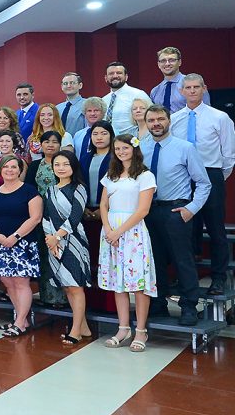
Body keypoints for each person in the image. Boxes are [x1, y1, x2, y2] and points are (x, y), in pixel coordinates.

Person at [141, 104, 210, 325]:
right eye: (151, 120)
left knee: (183, 260)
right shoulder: (141, 147)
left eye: (160, 119)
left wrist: (191, 209)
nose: (156, 124)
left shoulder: (185, 147)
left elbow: (203, 183)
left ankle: (189, 305)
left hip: (176, 210)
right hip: (148, 210)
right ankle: (158, 303)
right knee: (154, 260)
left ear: (168, 120)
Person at [171, 74, 235, 295]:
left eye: (196, 87)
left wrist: (214, 178)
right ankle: (187, 280)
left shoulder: (220, 117)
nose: (192, 91)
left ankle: (218, 278)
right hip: (184, 177)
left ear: (204, 89)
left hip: (211, 174)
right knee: (187, 230)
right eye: (187, 87)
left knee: (216, 229)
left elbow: (228, 155)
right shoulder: (175, 119)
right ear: (181, 91)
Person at [100, 134, 157, 352]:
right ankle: (123, 328)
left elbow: (143, 210)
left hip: (132, 231)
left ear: (134, 149)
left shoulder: (144, 175)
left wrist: (119, 232)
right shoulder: (111, 175)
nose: (121, 152)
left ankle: (141, 330)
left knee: (138, 282)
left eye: (125, 148)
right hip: (111, 230)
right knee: (118, 281)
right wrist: (108, 229)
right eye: (117, 148)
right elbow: (104, 204)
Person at [0, 154, 42, 337]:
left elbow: (35, 218)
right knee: (8, 282)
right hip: (0, 244)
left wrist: (15, 237)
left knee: (21, 282)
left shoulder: (29, 191)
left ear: (20, 170)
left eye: (14, 167)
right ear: (0, 170)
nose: (9, 170)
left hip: (22, 244)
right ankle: (21, 319)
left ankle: (20, 321)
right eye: (6, 167)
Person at [43, 150, 91, 344]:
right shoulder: (50, 190)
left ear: (73, 167)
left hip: (74, 243)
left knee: (76, 286)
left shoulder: (78, 188)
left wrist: (56, 236)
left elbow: (75, 217)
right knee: (67, 288)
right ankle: (83, 327)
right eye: (57, 165)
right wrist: (49, 238)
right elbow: (46, 217)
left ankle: (76, 330)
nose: (61, 168)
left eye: (65, 164)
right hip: (54, 243)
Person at [24, 131, 68, 309]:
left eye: (55, 142)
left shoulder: (65, 164)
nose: (50, 145)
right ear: (40, 145)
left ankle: (64, 298)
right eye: (46, 142)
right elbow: (29, 189)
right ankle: (47, 296)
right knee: (44, 255)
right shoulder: (35, 165)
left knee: (61, 255)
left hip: (61, 216)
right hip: (40, 216)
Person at [81, 120, 116, 313]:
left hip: (109, 216)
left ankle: (109, 305)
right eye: (95, 134)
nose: (99, 137)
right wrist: (85, 208)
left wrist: (102, 211)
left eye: (103, 133)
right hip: (86, 214)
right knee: (90, 260)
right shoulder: (85, 158)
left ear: (111, 135)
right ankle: (91, 303)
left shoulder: (116, 158)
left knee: (107, 261)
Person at [150, 46, 210, 113]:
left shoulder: (194, 85)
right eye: (163, 61)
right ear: (159, 64)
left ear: (180, 62)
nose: (167, 64)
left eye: (171, 60)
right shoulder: (155, 91)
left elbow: (206, 111)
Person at [102, 62, 152, 135]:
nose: (115, 76)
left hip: (132, 142)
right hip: (109, 143)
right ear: (106, 78)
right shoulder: (103, 100)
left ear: (126, 77)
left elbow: (151, 117)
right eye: (111, 73)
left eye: (119, 73)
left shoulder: (138, 94)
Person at [73, 97, 107, 167]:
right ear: (84, 113)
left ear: (103, 113)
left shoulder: (111, 132)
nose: (92, 114)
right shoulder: (78, 135)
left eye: (96, 110)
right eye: (89, 111)